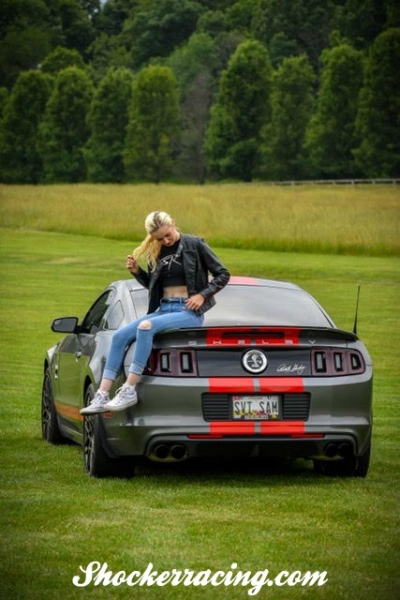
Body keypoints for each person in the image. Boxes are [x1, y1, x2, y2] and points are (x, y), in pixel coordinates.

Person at [80, 211, 230, 415]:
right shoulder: (158, 250)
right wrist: (137, 272)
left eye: (168, 235)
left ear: (173, 224)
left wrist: (202, 295)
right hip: (164, 308)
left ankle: (129, 389)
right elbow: (153, 285)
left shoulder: (195, 244)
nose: (166, 240)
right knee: (119, 336)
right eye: (159, 238)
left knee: (145, 327)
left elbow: (223, 274)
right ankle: (102, 395)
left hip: (188, 311)